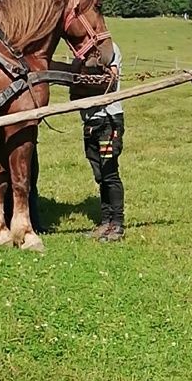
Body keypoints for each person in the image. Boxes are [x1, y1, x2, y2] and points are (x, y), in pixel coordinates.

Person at [81, 40, 125, 241]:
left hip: (108, 120)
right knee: (99, 174)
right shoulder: (80, 54)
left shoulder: (109, 49)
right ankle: (105, 222)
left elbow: (110, 80)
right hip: (90, 123)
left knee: (109, 172)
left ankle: (117, 224)